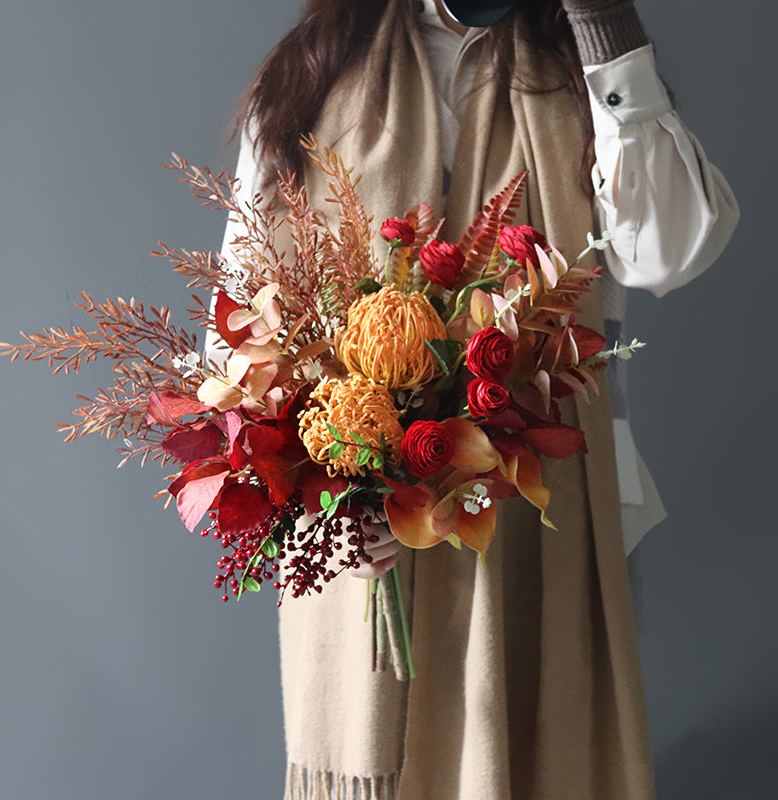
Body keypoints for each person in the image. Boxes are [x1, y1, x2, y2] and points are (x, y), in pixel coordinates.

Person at [212, 1, 739, 797]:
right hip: (362, 527)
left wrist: (606, 33)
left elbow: (672, 248)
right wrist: (322, 506)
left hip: (549, 512)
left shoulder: (582, 73)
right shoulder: (313, 73)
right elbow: (240, 330)